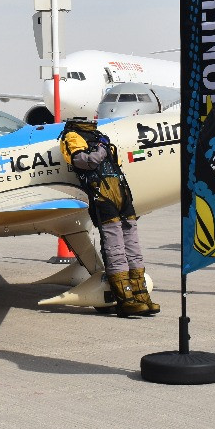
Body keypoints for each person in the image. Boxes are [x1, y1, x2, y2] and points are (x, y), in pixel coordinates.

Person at [59, 119, 158, 317]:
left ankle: (141, 296)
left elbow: (116, 166)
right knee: (115, 248)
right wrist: (103, 148)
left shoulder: (98, 137)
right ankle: (125, 299)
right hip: (102, 196)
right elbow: (87, 162)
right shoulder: (72, 137)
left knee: (133, 247)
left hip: (121, 194)